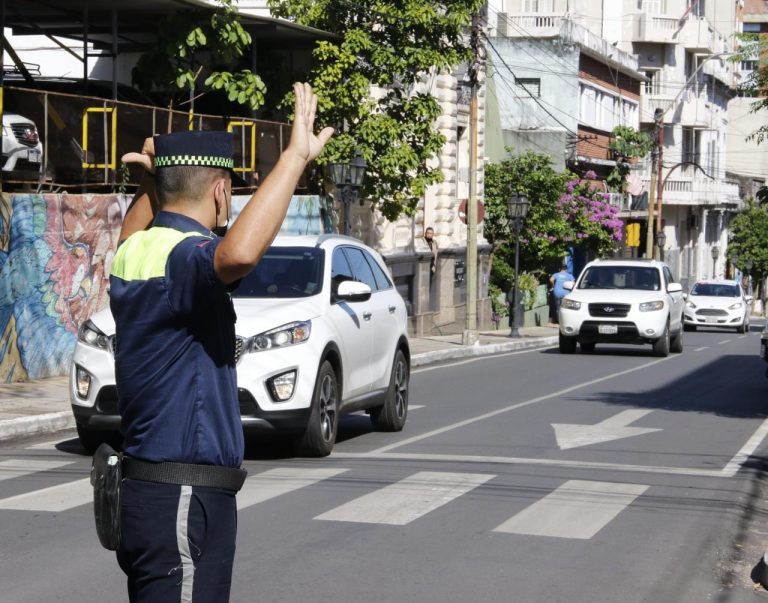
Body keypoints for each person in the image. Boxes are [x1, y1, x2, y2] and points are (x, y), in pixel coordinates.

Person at [111, 83, 333, 602]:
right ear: (218, 191)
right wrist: (294, 159)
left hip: (153, 493)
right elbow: (236, 255)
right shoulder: (185, 257)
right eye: (228, 191)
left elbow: (133, 232)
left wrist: (150, 185)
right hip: (184, 496)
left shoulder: (135, 252)